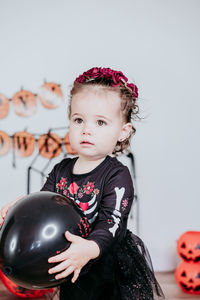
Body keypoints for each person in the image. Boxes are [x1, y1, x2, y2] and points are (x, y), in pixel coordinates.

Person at [0, 67, 164, 300]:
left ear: (123, 132)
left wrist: (90, 248)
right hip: (70, 260)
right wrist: (21, 205)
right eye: (79, 120)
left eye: (100, 122)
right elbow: (43, 206)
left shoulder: (117, 175)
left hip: (105, 263)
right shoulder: (61, 169)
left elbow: (112, 221)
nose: (87, 129)